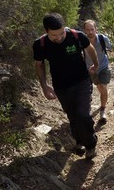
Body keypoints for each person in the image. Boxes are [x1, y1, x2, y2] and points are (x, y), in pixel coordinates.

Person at [33, 13, 99, 160]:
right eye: (54, 35)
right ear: (46, 31)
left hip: (82, 81)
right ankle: (79, 141)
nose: (60, 37)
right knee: (73, 116)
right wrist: (44, 86)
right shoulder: (40, 44)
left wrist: (95, 63)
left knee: (83, 114)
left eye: (62, 32)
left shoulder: (76, 36)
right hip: (61, 87)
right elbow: (39, 64)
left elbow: (90, 49)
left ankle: (90, 144)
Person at [83, 19, 112, 124]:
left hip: (103, 67)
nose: (90, 32)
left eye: (92, 29)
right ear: (85, 31)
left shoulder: (103, 39)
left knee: (103, 87)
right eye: (87, 30)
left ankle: (103, 110)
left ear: (96, 29)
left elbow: (111, 47)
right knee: (99, 87)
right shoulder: (83, 41)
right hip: (90, 70)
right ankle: (102, 99)